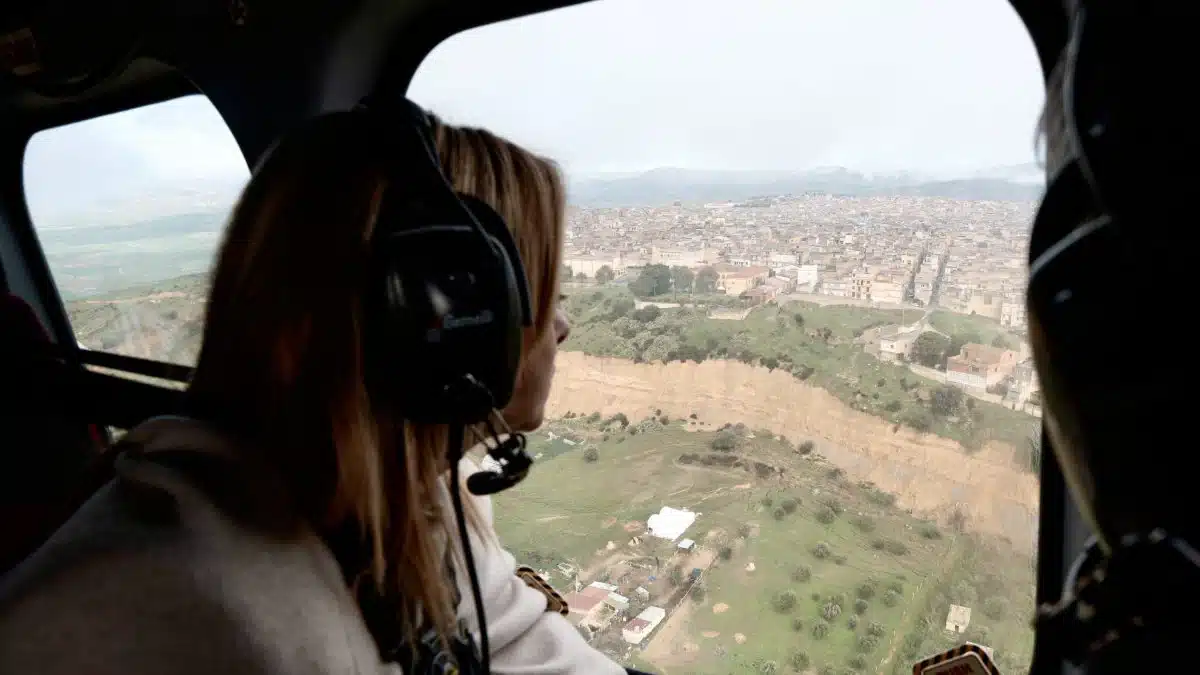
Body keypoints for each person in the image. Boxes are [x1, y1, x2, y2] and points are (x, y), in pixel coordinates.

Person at [0, 109, 628, 675]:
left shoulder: (421, 496)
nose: (562, 325)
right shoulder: (209, 616)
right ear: (452, 325)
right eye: (547, 294)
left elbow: (520, 642)